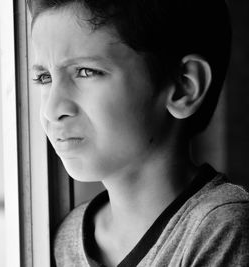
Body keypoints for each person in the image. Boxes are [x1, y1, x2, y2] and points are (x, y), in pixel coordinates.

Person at [28, 0, 249, 266]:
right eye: (44, 78)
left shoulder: (221, 229)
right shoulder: (67, 239)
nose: (52, 109)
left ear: (183, 88)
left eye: (86, 72)